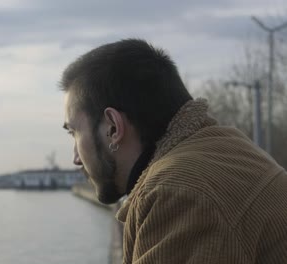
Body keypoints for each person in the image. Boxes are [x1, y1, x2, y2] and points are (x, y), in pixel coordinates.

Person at [59, 38, 287, 263]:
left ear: (113, 127)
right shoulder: (228, 148)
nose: (76, 158)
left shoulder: (176, 191)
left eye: (74, 132)